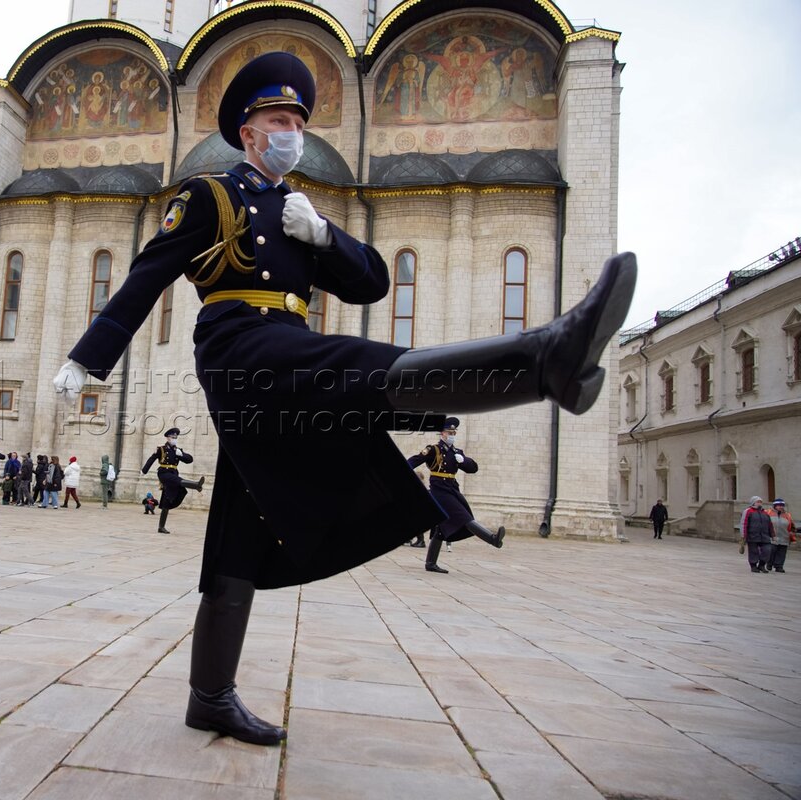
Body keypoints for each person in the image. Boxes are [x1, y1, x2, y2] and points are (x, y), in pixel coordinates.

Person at [52, 52, 636, 746]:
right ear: (248, 132)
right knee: (353, 364)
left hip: (288, 349)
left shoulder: (302, 210)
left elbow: (372, 285)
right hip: (240, 347)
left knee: (238, 528)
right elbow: (147, 275)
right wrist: (88, 357)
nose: (291, 131)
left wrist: (325, 235)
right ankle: (545, 361)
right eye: (278, 119)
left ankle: (209, 696)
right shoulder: (210, 196)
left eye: (298, 119)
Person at [408, 418, 504, 574]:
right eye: (449, 432)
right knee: (464, 518)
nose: (452, 435)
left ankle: (430, 563)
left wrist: (464, 460)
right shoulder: (433, 450)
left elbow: (473, 469)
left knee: (441, 528)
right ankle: (493, 539)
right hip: (439, 491)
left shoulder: (457, 452)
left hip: (452, 490)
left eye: (454, 433)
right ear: (442, 433)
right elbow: (414, 460)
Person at [141, 428, 204, 534]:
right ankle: (196, 485)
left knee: (167, 500)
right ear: (168, 438)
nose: (174, 439)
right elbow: (151, 459)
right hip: (164, 473)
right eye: (173, 437)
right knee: (178, 481)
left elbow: (190, 459)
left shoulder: (177, 450)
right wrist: (144, 470)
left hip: (174, 473)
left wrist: (181, 454)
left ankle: (161, 527)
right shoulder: (160, 449)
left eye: (176, 438)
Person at [741, 496, 774, 573]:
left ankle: (762, 565)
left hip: (765, 536)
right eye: (757, 502)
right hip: (752, 535)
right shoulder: (748, 511)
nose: (759, 503)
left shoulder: (765, 512)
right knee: (753, 551)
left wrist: (773, 535)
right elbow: (744, 523)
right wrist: (743, 535)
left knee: (767, 550)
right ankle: (753, 566)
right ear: (753, 502)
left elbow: (770, 524)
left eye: (760, 502)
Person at [767, 499, 795, 573]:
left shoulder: (787, 515)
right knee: (771, 551)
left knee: (781, 553)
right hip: (772, 537)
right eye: (779, 505)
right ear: (775, 506)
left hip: (784, 537)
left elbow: (792, 526)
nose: (781, 507)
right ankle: (769, 564)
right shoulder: (768, 513)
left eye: (782, 505)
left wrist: (791, 532)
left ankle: (779, 566)